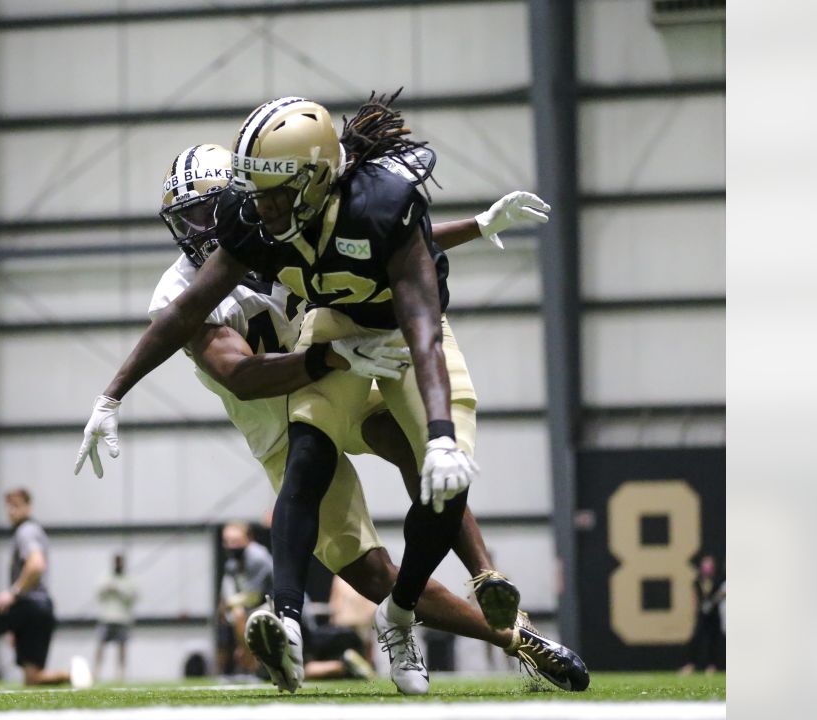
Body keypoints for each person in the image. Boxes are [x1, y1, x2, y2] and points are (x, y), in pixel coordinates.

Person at [81, 131, 583, 694]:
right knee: (366, 570)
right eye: (186, 217)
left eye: (205, 213)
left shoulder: (277, 229)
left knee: (427, 455)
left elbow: (382, 248)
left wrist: (477, 226)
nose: (193, 230)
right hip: (282, 412)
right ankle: (513, 638)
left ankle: (486, 576)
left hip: (343, 371)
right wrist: (112, 394)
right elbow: (240, 377)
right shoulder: (185, 283)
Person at [0, 489, 93, 688]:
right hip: (42, 609)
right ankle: (73, 675)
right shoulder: (34, 531)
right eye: (8, 506)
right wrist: (15, 625)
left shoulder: (26, 531)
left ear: (28, 507)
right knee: (33, 678)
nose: (11, 511)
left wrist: (12, 593)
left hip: (28, 604)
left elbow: (36, 564)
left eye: (16, 506)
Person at [217, 521, 274, 675]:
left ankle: (253, 663)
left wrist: (228, 603)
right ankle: (247, 661)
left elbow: (254, 596)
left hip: (276, 604)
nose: (231, 546)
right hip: (257, 607)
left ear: (248, 539)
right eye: (227, 541)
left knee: (238, 613)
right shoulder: (232, 563)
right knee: (234, 614)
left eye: (235, 541)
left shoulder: (257, 556)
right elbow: (228, 593)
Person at [93, 553, 138, 683]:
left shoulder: (129, 579)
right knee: (100, 646)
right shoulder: (106, 576)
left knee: (122, 648)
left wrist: (118, 589)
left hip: (122, 618)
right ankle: (96, 672)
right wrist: (108, 588)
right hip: (106, 617)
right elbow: (99, 593)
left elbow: (133, 596)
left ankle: (120, 674)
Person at [680, 554, 726, 675]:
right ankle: (690, 664)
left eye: (709, 565)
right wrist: (696, 610)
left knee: (713, 641)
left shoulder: (718, 580)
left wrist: (713, 602)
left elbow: (722, 594)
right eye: (705, 565)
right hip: (702, 615)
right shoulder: (698, 581)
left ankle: (712, 666)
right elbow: (694, 596)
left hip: (714, 615)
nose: (707, 568)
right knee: (696, 639)